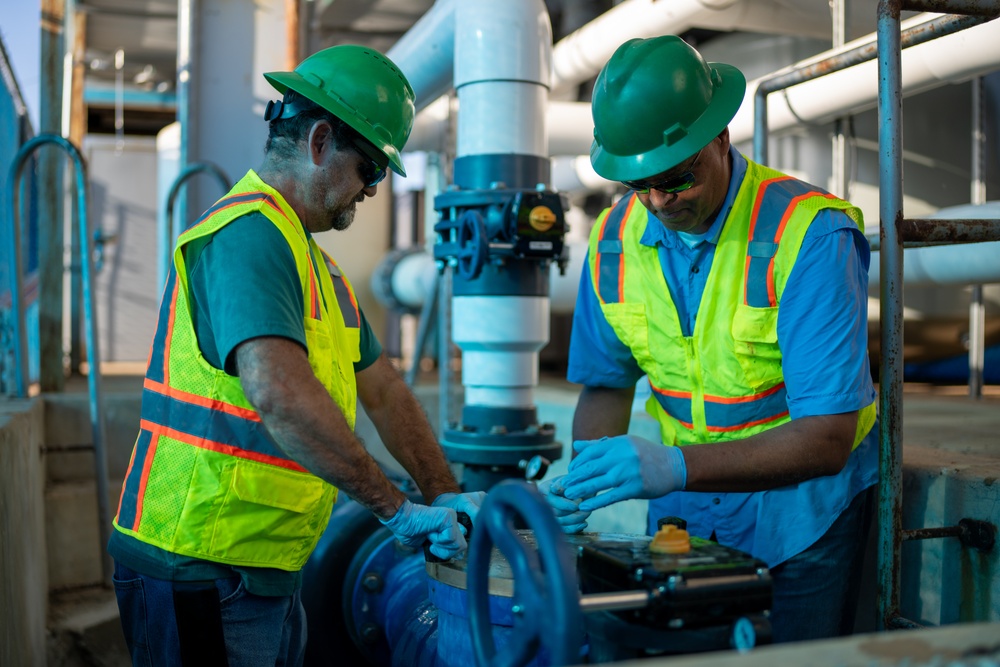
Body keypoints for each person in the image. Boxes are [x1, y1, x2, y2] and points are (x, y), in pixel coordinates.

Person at [108, 45, 482, 665]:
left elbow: (384, 389)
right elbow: (279, 395)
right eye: (370, 170)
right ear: (319, 141)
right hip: (200, 561)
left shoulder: (317, 267)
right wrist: (395, 511)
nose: (370, 191)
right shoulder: (247, 236)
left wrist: (442, 493)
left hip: (261, 564)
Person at [541, 35, 878, 644]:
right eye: (638, 184)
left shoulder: (809, 235)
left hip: (800, 516)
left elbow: (827, 439)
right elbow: (605, 386)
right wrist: (583, 481)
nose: (659, 201)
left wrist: (672, 465)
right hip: (683, 514)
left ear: (720, 138)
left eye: (677, 178)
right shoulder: (614, 242)